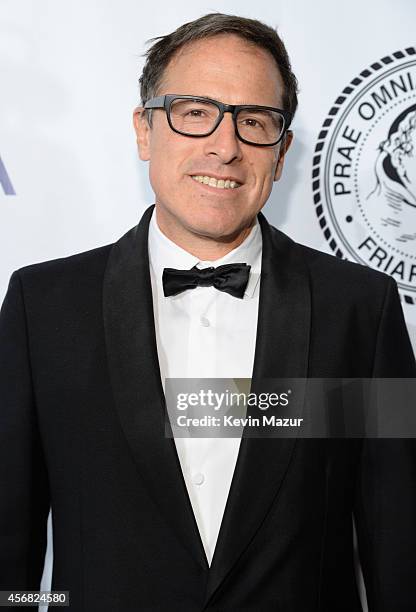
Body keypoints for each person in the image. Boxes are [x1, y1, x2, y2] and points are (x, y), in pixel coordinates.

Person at [0, 12, 415, 612]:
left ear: (281, 152)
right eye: (195, 112)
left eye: (254, 121)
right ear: (145, 131)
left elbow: (398, 544)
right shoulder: (44, 308)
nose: (225, 147)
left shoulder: (359, 310)